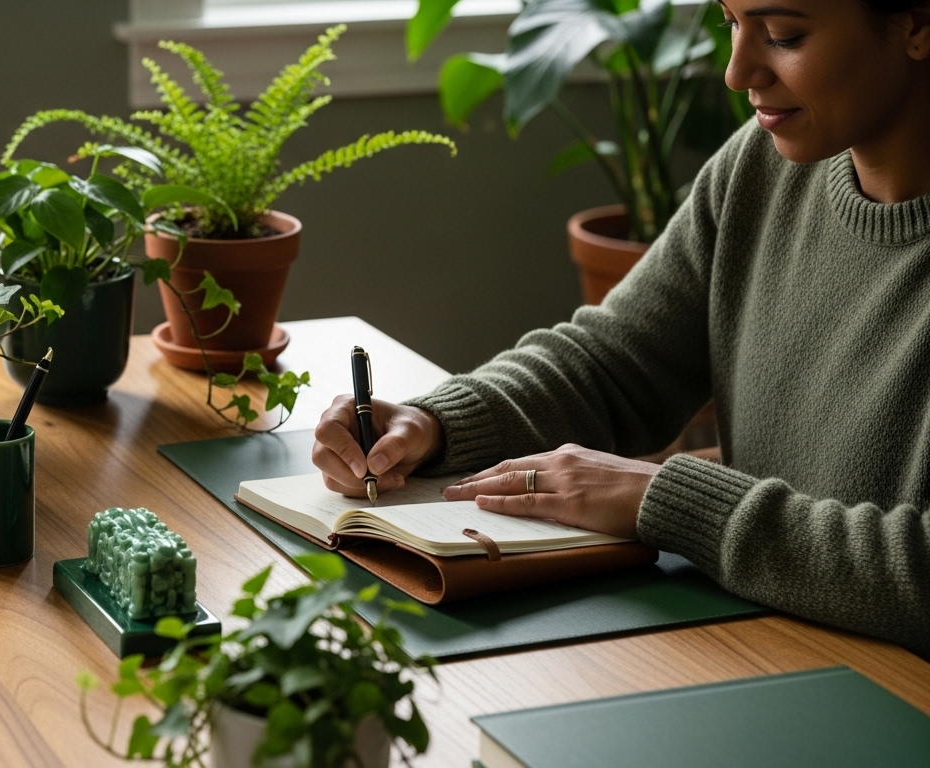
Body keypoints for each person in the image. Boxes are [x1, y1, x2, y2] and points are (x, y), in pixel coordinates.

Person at [314, 0, 930, 655]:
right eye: (729, 22)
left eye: (783, 35)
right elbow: (616, 361)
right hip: (759, 650)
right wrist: (436, 423)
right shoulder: (760, 168)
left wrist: (669, 500)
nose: (736, 70)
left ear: (916, 22)